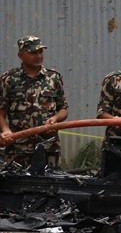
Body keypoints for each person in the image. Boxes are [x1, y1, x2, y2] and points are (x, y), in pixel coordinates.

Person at [0, 36, 69, 168]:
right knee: (16, 186)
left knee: (49, 185)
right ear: (20, 55)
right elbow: (1, 112)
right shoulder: (8, 79)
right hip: (18, 147)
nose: (38, 56)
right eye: (33, 53)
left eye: (40, 52)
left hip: (48, 146)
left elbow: (64, 109)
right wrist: (5, 130)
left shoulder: (53, 77)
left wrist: (55, 119)